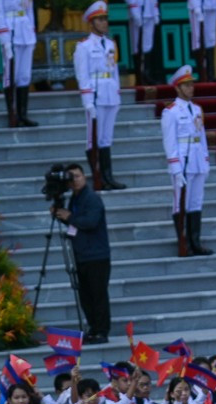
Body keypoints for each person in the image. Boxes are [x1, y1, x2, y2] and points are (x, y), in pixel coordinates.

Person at [55, 164, 112, 346]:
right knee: (85, 295)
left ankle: (102, 330)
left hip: (97, 255)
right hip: (81, 255)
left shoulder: (92, 199)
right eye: (72, 177)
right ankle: (93, 328)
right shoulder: (75, 199)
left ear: (84, 176)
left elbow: (90, 222)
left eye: (78, 176)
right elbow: (75, 225)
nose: (75, 180)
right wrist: (61, 216)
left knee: (98, 294)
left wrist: (69, 217)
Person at [162, 68, 214, 257]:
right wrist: (175, 168)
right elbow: (169, 142)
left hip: (197, 159)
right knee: (181, 204)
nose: (190, 88)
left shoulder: (197, 109)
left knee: (196, 202)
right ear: (177, 88)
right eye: (186, 85)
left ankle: (195, 242)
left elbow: (201, 136)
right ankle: (183, 243)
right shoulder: (171, 112)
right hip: (183, 161)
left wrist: (206, 160)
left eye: (192, 84)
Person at [75, 3, 124, 190]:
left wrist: (117, 93)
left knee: (106, 138)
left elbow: (114, 72)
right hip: (95, 96)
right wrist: (87, 102)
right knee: (93, 138)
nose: (104, 23)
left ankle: (108, 177)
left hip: (110, 94)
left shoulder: (111, 44)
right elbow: (82, 75)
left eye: (105, 19)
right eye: (100, 19)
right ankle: (97, 177)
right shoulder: (84, 47)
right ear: (91, 22)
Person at [0, 0, 36, 127]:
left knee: (25, 75)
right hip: (10, 32)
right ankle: (12, 114)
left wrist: (32, 33)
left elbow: (29, 10)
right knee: (11, 75)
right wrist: (4, 40)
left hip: (26, 31)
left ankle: (23, 115)